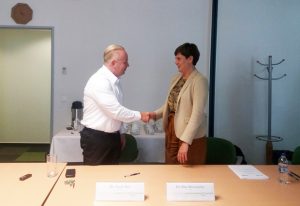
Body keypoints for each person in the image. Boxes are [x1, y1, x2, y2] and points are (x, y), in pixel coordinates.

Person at [80, 44, 149, 165]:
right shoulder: (99, 81)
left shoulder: (115, 82)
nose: (128, 65)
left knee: (111, 178)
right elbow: (116, 111)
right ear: (113, 63)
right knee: (95, 179)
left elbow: (116, 113)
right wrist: (141, 115)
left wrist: (120, 132)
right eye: (125, 62)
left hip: (111, 138)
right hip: (97, 140)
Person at [149, 43, 208, 164]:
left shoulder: (200, 81)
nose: (175, 62)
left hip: (190, 134)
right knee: (171, 167)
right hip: (172, 129)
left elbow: (197, 114)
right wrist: (154, 114)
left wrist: (186, 142)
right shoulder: (176, 78)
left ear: (190, 59)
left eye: (179, 58)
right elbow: (170, 104)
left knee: (188, 171)